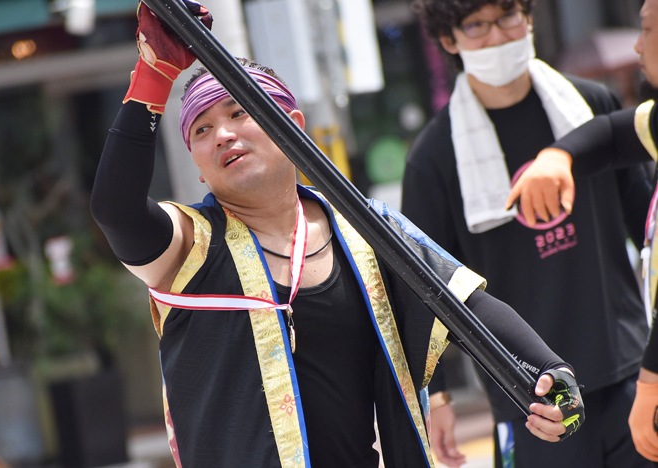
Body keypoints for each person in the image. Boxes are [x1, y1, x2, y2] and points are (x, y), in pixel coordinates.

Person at [90, 2, 584, 467]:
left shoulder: (366, 229)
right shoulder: (190, 246)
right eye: (201, 129)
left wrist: (551, 374)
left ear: (293, 127)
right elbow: (117, 211)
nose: (222, 134)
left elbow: (466, 306)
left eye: (239, 112)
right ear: (196, 167)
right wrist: (153, 76)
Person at [401, 1, 654, 467]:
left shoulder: (590, 108)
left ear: (530, 17)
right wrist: (434, 397)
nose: (497, 36)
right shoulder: (433, 157)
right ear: (449, 40)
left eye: (508, 16)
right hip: (531, 397)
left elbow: (648, 224)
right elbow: (422, 289)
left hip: (628, 369)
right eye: (476, 25)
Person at [506, 0, 658, 461]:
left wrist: (650, 381)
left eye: (648, 28)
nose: (637, 44)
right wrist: (559, 157)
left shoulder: (590, 94)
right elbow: (613, 136)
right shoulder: (434, 154)